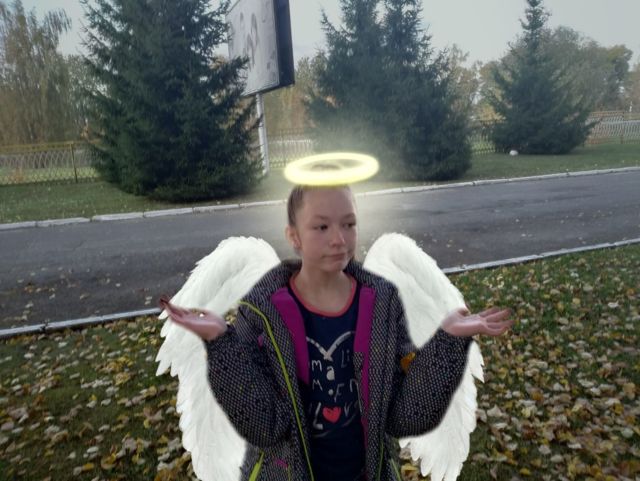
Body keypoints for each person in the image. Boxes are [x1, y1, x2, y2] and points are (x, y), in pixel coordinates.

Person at [159, 183, 514, 481]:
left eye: (349, 224)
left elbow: (404, 413)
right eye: (321, 227)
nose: (339, 239)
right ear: (293, 236)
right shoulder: (262, 314)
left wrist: (448, 342)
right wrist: (220, 342)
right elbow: (264, 424)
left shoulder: (382, 307)